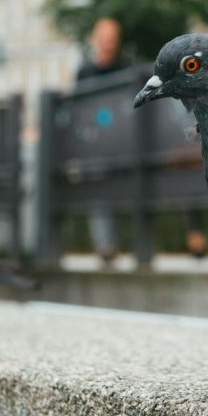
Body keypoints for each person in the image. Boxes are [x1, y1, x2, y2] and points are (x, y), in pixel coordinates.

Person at [77, 17, 130, 266]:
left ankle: (124, 244)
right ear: (95, 40)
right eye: (104, 37)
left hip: (122, 142)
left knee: (124, 192)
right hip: (95, 144)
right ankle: (105, 245)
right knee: (99, 192)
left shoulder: (126, 69)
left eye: (112, 37)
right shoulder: (84, 72)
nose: (108, 43)